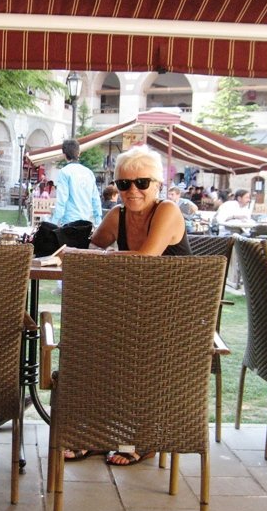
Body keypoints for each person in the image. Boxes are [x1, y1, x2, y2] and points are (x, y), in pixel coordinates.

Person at [72, 146, 190, 466]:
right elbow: (91, 248)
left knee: (128, 348)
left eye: (142, 182)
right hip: (135, 308)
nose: (133, 190)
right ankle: (97, 435)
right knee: (86, 344)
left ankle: (145, 437)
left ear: (158, 185)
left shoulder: (167, 210)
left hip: (175, 315)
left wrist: (102, 256)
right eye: (124, 184)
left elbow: (146, 258)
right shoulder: (118, 215)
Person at [49, 139, 102, 227]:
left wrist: (53, 223)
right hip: (87, 222)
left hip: (70, 222)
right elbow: (95, 199)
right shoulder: (89, 172)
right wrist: (98, 220)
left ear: (64, 155)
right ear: (79, 153)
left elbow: (62, 200)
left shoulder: (64, 172)